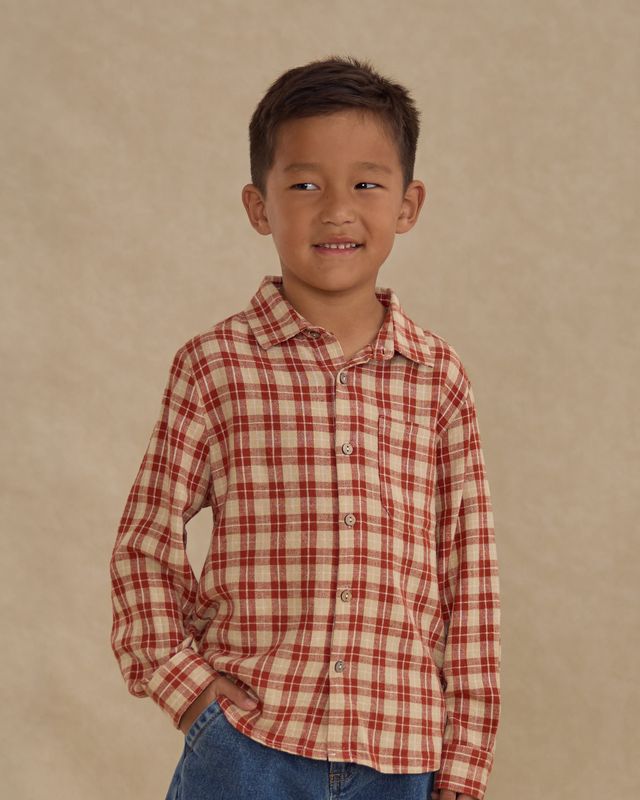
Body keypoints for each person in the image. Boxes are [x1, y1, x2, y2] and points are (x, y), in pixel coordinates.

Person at [109, 55, 501, 800]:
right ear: (259, 206)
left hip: (401, 755)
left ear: (408, 204)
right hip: (248, 748)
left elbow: (469, 577)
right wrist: (191, 693)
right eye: (305, 185)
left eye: (366, 184)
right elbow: (144, 542)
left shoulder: (438, 378)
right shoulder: (214, 366)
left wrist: (467, 754)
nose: (337, 210)